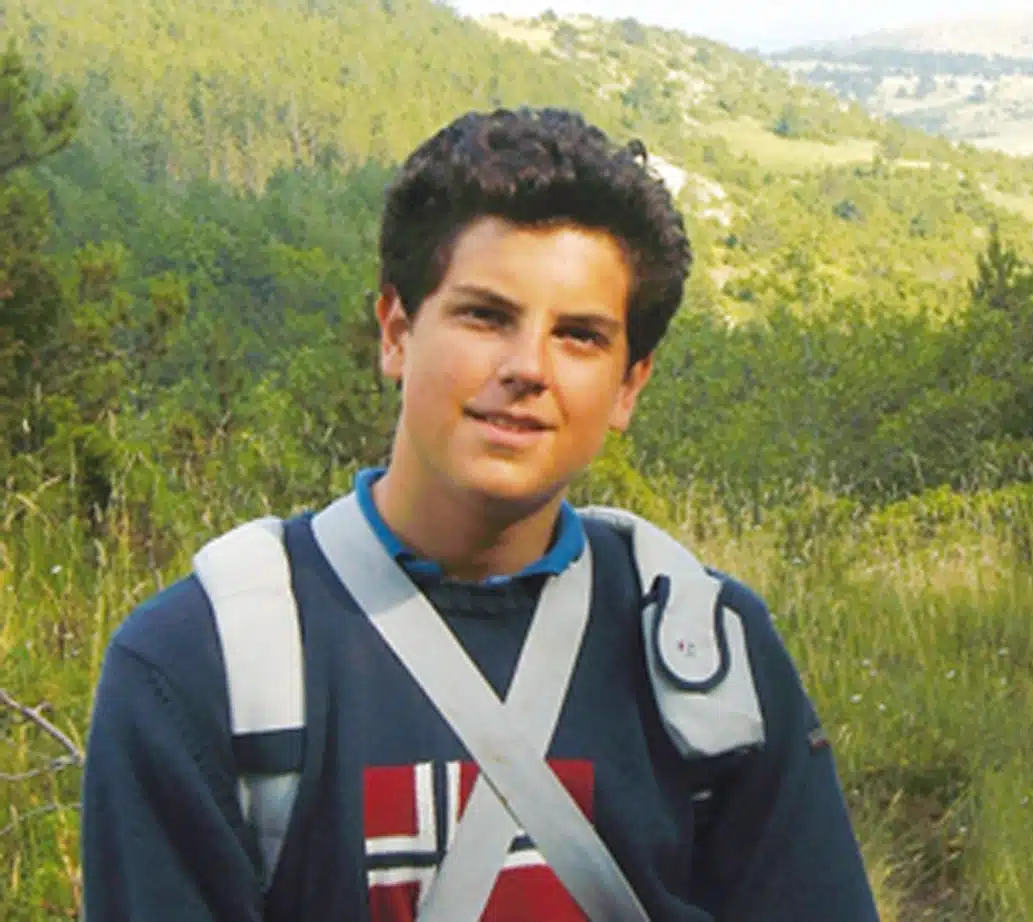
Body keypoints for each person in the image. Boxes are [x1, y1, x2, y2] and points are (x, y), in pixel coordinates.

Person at [81, 107, 881, 922]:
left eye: (579, 336)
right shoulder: (201, 665)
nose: (528, 368)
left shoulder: (707, 660)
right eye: (486, 316)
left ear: (628, 387)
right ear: (396, 332)